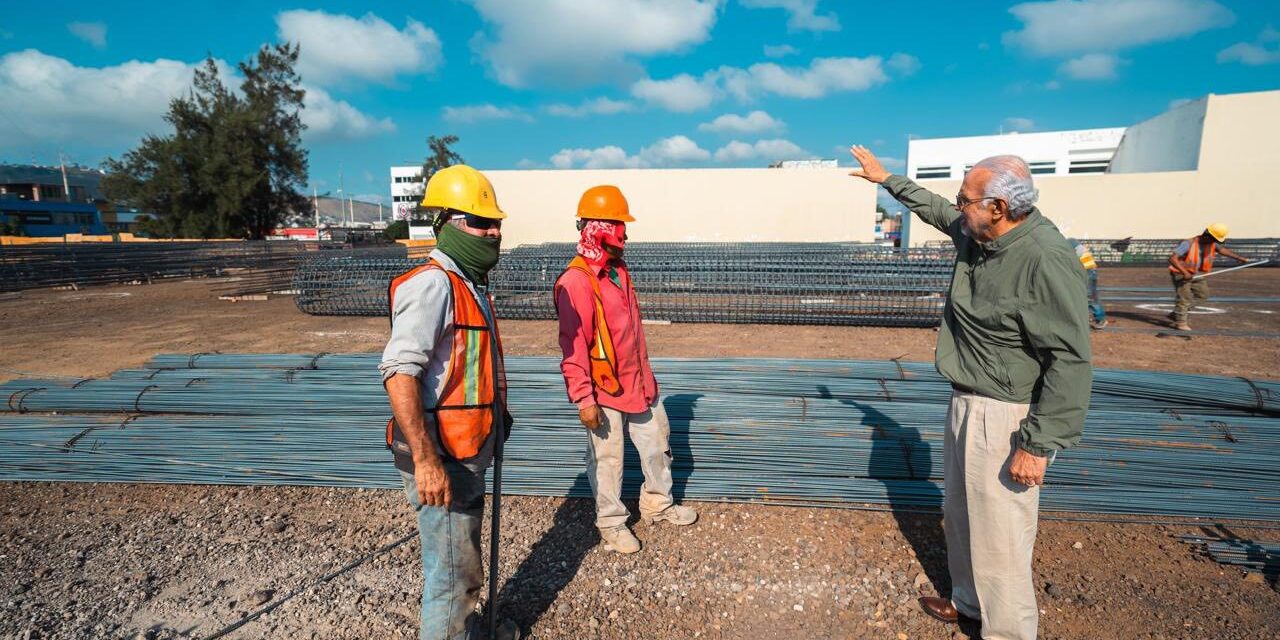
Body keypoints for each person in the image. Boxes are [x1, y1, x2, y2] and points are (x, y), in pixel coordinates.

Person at [849, 146, 1092, 640]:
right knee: (961, 514)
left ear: (998, 207)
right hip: (966, 397)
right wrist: (887, 179)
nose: (958, 207)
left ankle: (1009, 632)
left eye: (966, 200)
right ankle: (969, 603)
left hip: (1005, 413)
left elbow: (1069, 359)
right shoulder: (979, 232)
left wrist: (1038, 443)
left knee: (1001, 535)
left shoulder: (1043, 258)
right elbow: (938, 210)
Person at [379, 164, 520, 640]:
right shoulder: (433, 284)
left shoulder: (468, 285)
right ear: (448, 223)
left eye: (495, 222)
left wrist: (495, 417)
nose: (493, 231)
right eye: (481, 222)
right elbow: (399, 374)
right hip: (441, 457)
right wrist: (426, 461)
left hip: (465, 451)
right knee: (453, 579)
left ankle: (468, 631)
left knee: (464, 566)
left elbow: (465, 370)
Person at [554, 185, 697, 555]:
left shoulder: (618, 271)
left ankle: (657, 505)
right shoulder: (576, 281)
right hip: (604, 390)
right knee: (608, 461)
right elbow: (573, 348)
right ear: (599, 229)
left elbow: (630, 333)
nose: (626, 235)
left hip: (638, 383)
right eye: (620, 227)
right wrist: (584, 400)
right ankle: (612, 523)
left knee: (657, 445)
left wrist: (647, 377)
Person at [1167, 224, 1250, 331]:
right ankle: (1181, 323)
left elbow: (1222, 250)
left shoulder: (1212, 244)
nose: (1214, 242)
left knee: (1203, 295)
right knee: (1184, 298)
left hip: (1198, 274)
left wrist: (1239, 258)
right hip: (1181, 274)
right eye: (1214, 239)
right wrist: (1185, 272)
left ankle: (1177, 313)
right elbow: (1173, 259)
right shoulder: (1188, 243)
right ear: (1207, 234)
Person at [1070, 239, 1107, 329]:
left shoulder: (1070, 243)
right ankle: (1095, 318)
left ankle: (1100, 319)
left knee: (1089, 297)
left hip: (1088, 271)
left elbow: (1071, 259)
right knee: (1090, 296)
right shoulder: (1073, 242)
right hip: (1091, 270)